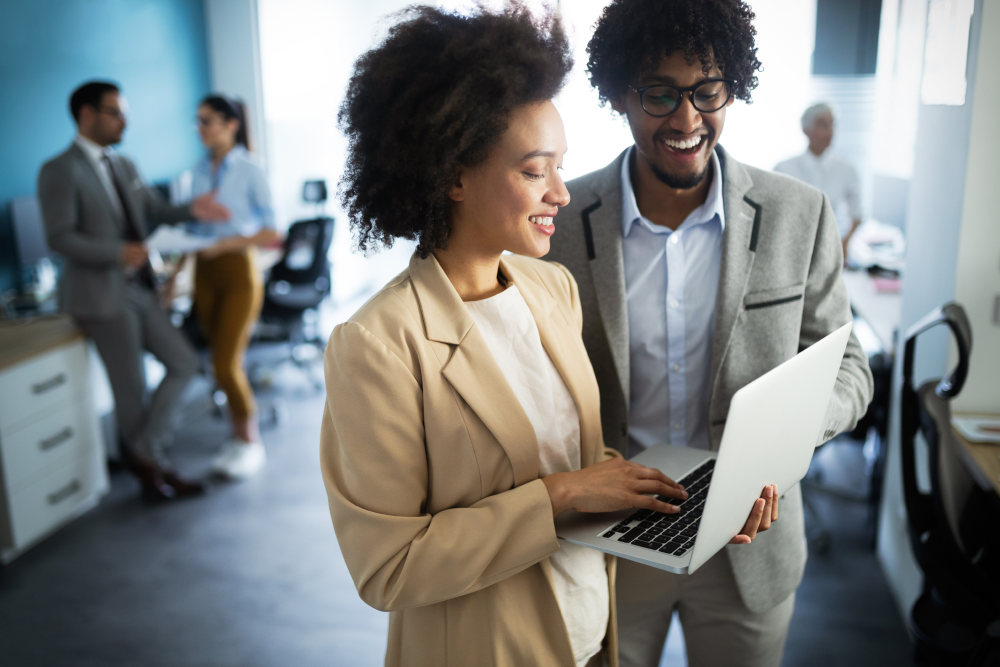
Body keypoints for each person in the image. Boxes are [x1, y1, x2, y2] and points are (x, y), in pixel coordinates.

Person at [320, 6, 777, 667]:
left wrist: (699, 503)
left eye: (561, 166)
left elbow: (581, 462)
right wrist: (558, 498)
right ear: (452, 174)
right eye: (536, 171)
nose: (562, 193)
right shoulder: (378, 345)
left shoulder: (550, 289)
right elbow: (388, 567)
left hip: (591, 634)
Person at [544, 2, 874, 666]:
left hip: (749, 544)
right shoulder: (558, 220)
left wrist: (786, 438)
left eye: (707, 91)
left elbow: (850, 367)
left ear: (733, 87)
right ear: (620, 94)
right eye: (661, 94)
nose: (688, 120)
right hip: (609, 537)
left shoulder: (797, 214)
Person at [37, 80, 231, 501]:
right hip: (102, 295)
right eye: (115, 112)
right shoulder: (59, 170)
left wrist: (191, 208)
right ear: (87, 115)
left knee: (182, 363)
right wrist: (116, 252)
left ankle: (143, 453)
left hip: (142, 289)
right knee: (131, 391)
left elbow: (154, 211)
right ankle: (154, 467)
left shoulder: (124, 164)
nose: (125, 120)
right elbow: (60, 237)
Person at [187, 95, 279, 480]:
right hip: (202, 272)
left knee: (227, 364)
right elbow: (194, 228)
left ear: (230, 125)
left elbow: (273, 232)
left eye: (208, 120)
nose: (201, 128)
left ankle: (250, 442)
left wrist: (229, 242)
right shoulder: (197, 170)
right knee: (216, 362)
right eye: (198, 121)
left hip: (238, 270)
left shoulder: (251, 169)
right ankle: (235, 438)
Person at [774, 103, 863, 260]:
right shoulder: (783, 168)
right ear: (806, 129)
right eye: (823, 125)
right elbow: (773, 213)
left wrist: (844, 244)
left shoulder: (847, 169)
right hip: (790, 251)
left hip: (829, 250)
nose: (830, 131)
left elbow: (857, 214)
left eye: (832, 124)